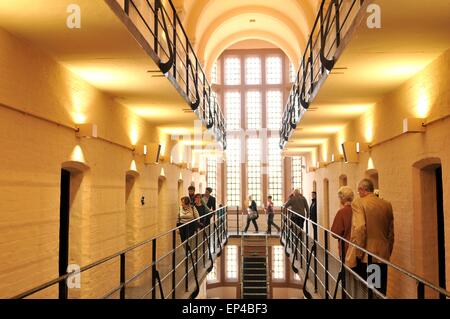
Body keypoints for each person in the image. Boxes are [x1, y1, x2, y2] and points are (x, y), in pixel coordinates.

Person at [345, 179, 394, 296]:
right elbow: (391, 233)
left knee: (366, 290)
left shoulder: (359, 203)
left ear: (363, 190)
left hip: (366, 255)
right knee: (379, 289)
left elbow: (360, 228)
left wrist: (358, 253)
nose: (358, 193)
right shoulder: (386, 204)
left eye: (358, 191)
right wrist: (387, 252)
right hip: (382, 254)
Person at [331, 186, 354, 260]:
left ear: (341, 199)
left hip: (346, 248)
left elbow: (335, 233)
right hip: (358, 248)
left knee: (346, 270)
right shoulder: (357, 210)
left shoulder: (342, 212)